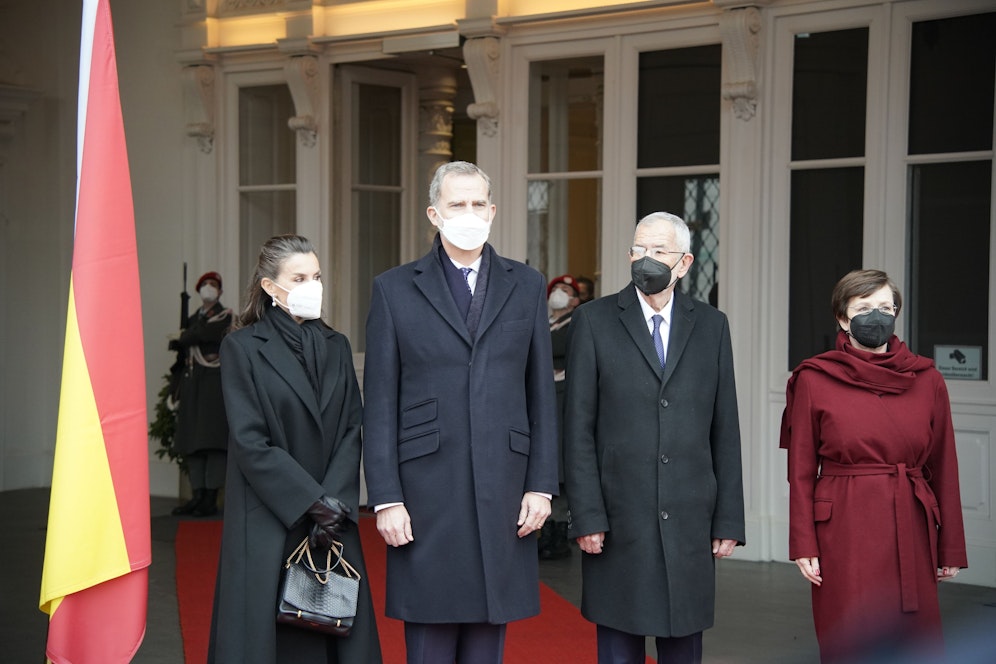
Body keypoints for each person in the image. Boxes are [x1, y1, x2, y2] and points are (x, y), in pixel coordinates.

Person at [363, 161, 559, 663]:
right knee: (428, 638)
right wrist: (385, 497)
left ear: (492, 211)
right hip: (426, 491)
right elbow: (380, 401)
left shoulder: (527, 284)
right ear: (435, 213)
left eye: (477, 204)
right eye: (456, 204)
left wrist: (541, 484)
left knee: (486, 640)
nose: (468, 213)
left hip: (505, 485)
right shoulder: (394, 288)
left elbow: (541, 391)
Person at [564, 211, 745, 664]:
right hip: (618, 517)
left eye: (659, 251)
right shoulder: (593, 321)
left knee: (684, 644)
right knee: (618, 645)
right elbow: (578, 428)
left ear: (683, 263)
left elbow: (725, 427)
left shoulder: (712, 325)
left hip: (689, 519)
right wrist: (586, 514)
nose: (647, 259)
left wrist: (728, 519)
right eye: (639, 250)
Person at [208, 236, 381, 663]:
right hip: (271, 515)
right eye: (299, 278)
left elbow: (351, 428)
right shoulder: (242, 347)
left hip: (332, 517)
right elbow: (250, 441)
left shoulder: (336, 345)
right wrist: (310, 502)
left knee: (334, 630)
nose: (312, 286)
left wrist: (332, 503)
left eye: (317, 277)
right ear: (270, 286)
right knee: (268, 640)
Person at [780, 269, 967, 663]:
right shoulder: (814, 378)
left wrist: (950, 545)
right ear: (843, 319)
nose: (876, 316)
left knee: (914, 646)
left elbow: (944, 465)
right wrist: (803, 542)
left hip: (910, 525)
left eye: (885, 307)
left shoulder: (927, 379)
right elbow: (799, 470)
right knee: (849, 642)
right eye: (864, 308)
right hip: (842, 531)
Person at [171, 271, 232, 517]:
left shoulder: (224, 316)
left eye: (213, 285)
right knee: (192, 443)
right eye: (205, 285)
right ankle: (197, 495)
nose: (209, 288)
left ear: (219, 291)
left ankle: (210, 497)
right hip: (193, 382)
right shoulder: (195, 317)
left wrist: (186, 337)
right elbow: (186, 340)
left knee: (212, 442)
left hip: (212, 383)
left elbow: (204, 334)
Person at [541, 273, 580, 559]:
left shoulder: (576, 325)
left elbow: (556, 350)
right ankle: (547, 530)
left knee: (563, 466)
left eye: (566, 291)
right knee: (548, 465)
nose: (560, 294)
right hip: (545, 397)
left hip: (565, 397)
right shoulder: (544, 323)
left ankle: (560, 531)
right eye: (556, 290)